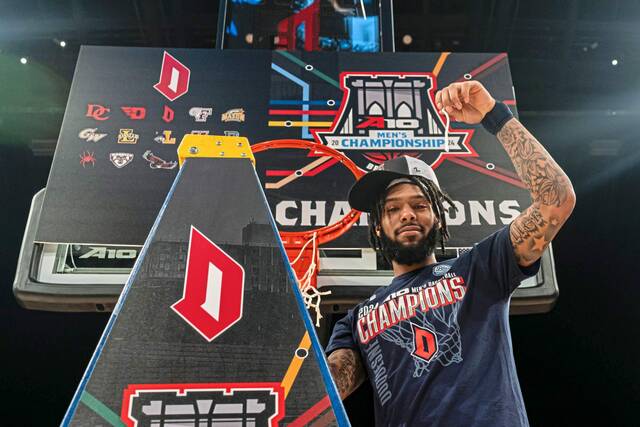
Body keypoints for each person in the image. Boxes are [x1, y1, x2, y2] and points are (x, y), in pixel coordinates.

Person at [325, 80, 576, 426]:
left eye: (419, 204)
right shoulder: (357, 319)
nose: (407, 214)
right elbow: (325, 391)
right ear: (378, 227)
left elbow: (555, 200)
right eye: (393, 209)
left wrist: (494, 115)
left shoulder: (479, 268)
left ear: (438, 216)